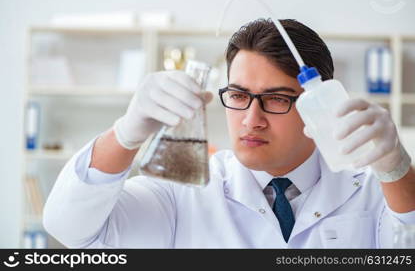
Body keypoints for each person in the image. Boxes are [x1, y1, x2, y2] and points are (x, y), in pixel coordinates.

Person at [43, 19, 415, 248]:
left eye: (276, 99)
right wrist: (125, 134)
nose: (251, 119)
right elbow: (71, 230)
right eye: (238, 95)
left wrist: (395, 168)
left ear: (317, 101)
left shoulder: (369, 191)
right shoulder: (181, 193)